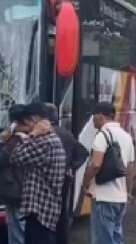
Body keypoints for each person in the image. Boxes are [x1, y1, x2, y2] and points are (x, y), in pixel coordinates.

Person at [11, 102, 66, 244]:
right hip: (47, 209)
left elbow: (15, 157)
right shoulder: (52, 139)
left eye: (27, 122)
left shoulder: (43, 142)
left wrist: (33, 134)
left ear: (35, 119)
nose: (26, 127)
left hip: (40, 211)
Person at [80, 102, 135, 244]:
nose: (92, 121)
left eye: (93, 117)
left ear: (100, 116)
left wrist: (85, 183)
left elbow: (95, 165)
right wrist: (128, 191)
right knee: (116, 238)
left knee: (103, 239)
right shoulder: (127, 136)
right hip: (120, 198)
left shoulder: (102, 136)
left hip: (104, 197)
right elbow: (130, 168)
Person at [45, 103, 89, 244]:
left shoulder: (44, 134)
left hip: (47, 179)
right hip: (64, 178)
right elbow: (83, 152)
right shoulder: (66, 133)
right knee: (62, 211)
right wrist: (71, 167)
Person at [0, 104, 28, 244]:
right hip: (22, 189)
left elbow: (0, 160)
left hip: (15, 190)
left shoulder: (15, 139)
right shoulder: (31, 136)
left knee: (17, 228)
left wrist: (0, 142)